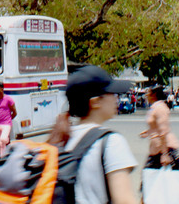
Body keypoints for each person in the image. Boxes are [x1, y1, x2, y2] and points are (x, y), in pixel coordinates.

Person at [48, 65, 138, 204]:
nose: (116, 98)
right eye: (112, 94)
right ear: (95, 102)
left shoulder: (61, 139)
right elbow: (125, 200)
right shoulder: (111, 142)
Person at [140, 85, 179, 204]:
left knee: (178, 174)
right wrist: (149, 132)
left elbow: (163, 130)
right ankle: (142, 201)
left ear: (154, 94)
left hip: (165, 147)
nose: (146, 95)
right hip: (157, 148)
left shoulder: (160, 108)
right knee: (149, 175)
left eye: (148, 92)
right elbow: (156, 126)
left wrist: (165, 153)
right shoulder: (154, 107)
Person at [0, 82, 17, 158]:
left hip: (7, 124)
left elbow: (15, 112)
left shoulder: (8, 99)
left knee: (3, 139)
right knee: (1, 144)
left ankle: (9, 147)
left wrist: (9, 119)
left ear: (2, 89)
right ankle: (3, 157)